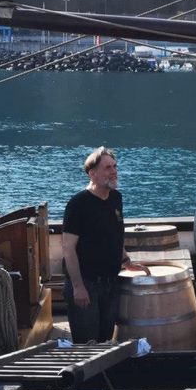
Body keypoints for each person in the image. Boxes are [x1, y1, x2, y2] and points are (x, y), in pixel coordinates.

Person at [62, 147, 137, 343]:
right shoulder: (78, 204)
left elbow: (113, 236)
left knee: (105, 338)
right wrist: (78, 287)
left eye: (114, 166)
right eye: (107, 168)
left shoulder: (116, 198)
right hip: (86, 283)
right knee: (87, 342)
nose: (113, 171)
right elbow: (68, 249)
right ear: (92, 173)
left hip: (111, 283)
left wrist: (127, 261)